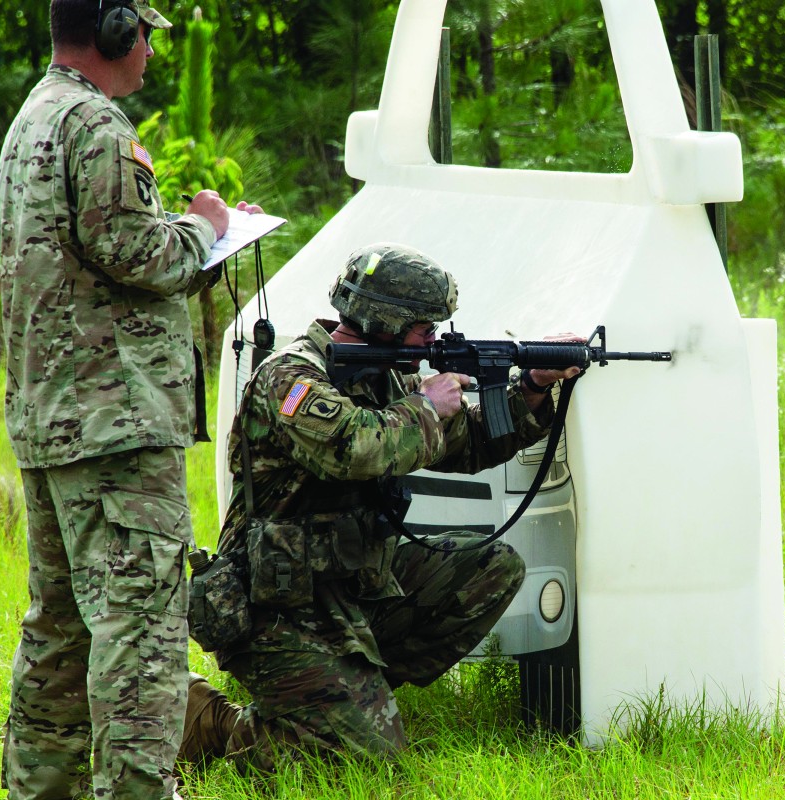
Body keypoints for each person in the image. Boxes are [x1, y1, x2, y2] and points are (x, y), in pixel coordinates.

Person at [178, 243, 580, 769]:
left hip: (356, 583)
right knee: (369, 760)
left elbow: (470, 443)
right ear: (384, 321)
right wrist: (424, 407)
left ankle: (347, 692)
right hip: (276, 601)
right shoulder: (292, 378)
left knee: (492, 569)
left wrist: (530, 388)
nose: (432, 339)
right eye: (423, 328)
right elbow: (355, 448)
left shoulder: (386, 376)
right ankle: (210, 720)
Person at [0, 1, 258, 797]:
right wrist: (207, 228)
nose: (149, 47)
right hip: (116, 429)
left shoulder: (31, 121)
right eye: (143, 30)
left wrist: (192, 239)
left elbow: (92, 262)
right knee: (139, 641)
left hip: (51, 423)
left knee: (61, 636)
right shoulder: (97, 125)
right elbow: (136, 250)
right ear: (113, 32)